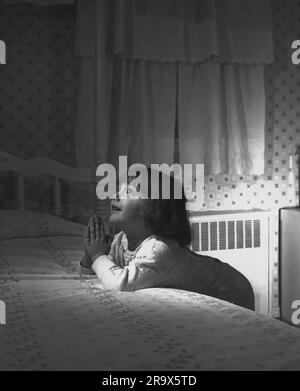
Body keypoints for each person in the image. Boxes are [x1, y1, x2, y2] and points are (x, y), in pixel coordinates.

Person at [80, 169, 255, 310]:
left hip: (231, 291)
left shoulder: (159, 249)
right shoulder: (121, 240)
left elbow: (120, 283)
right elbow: (104, 271)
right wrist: (90, 255)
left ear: (153, 210)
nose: (116, 194)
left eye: (128, 191)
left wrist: (97, 256)